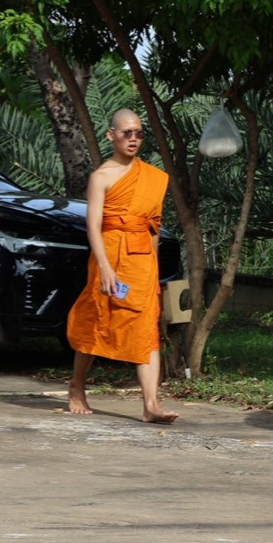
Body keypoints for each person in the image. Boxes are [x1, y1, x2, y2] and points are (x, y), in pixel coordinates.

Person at [66, 109, 178, 424]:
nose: (133, 139)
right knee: (96, 320)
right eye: (126, 133)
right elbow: (93, 227)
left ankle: (151, 405)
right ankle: (76, 386)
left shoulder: (152, 177)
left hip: (141, 260)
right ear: (111, 135)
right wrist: (105, 268)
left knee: (146, 328)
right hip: (109, 256)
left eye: (139, 133)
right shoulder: (100, 177)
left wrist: (153, 272)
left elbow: (153, 227)